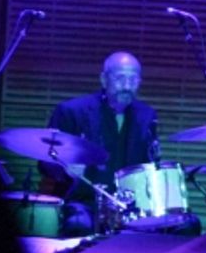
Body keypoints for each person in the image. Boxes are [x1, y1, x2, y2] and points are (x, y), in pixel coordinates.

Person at [38, 51, 162, 234]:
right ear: (104, 80)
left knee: (184, 224)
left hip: (129, 206)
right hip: (85, 202)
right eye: (120, 78)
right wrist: (65, 169)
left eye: (133, 80)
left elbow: (150, 165)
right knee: (79, 224)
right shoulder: (72, 111)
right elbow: (45, 161)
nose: (127, 86)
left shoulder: (147, 115)